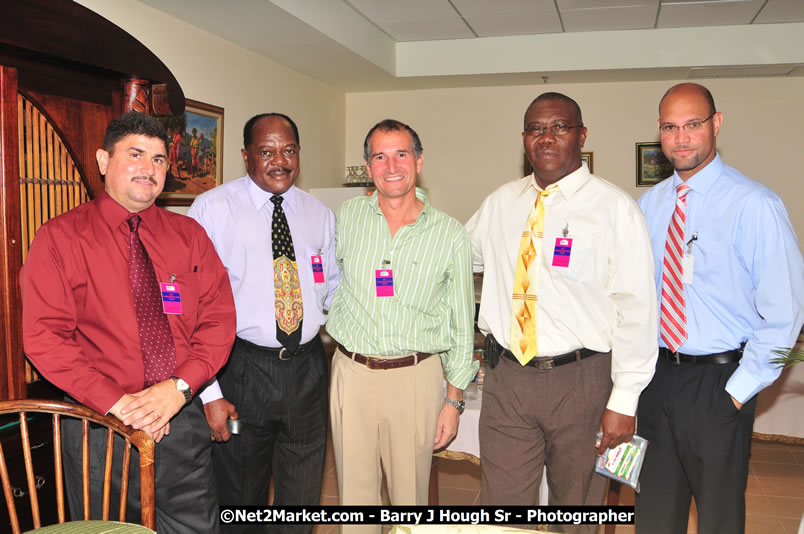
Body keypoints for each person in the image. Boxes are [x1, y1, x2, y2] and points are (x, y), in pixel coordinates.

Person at [21, 111, 236, 533]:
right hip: (99, 427)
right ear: (103, 161)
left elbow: (219, 320)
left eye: (158, 159)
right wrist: (123, 405)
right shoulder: (60, 238)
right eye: (135, 154)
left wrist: (176, 390)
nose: (148, 168)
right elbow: (45, 338)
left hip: (181, 416)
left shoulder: (189, 236)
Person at [465, 92, 658, 533]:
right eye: (536, 129)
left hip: (582, 382)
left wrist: (624, 399)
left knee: (577, 512)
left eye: (560, 127)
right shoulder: (500, 203)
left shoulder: (614, 209)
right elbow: (455, 257)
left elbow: (637, 310)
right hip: (508, 379)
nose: (546, 137)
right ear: (524, 139)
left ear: (581, 134)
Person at [635, 82, 804, 534]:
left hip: (718, 383)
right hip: (656, 380)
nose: (682, 138)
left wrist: (738, 389)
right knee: (652, 513)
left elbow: (786, 315)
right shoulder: (649, 205)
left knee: (718, 520)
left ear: (717, 124)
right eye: (671, 127)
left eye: (693, 124)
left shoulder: (755, 205)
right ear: (659, 132)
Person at [189, 113, 339, 534]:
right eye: (267, 151)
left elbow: (331, 285)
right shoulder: (212, 210)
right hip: (241, 369)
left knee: (302, 497)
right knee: (240, 497)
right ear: (245, 155)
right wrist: (210, 391)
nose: (280, 161)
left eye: (288, 150)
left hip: (308, 368)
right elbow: (192, 308)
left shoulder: (318, 213)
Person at [327, 119, 477, 533]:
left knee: (410, 506)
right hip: (351, 374)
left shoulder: (449, 234)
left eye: (401, 154)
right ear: (368, 165)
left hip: (416, 378)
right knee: (354, 505)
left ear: (419, 160)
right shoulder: (348, 217)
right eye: (380, 156)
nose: (391, 165)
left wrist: (454, 399)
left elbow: (463, 323)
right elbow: (328, 280)